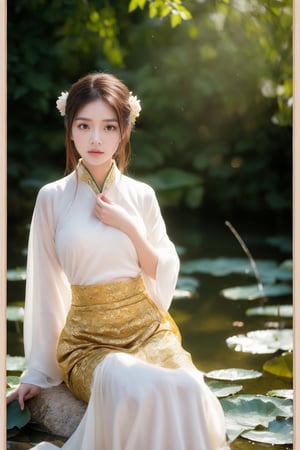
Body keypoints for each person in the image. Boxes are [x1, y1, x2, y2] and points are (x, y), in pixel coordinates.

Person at [7, 72, 229, 450]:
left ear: (124, 131)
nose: (96, 139)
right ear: (71, 129)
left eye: (108, 127)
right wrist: (38, 372)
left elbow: (163, 269)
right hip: (89, 343)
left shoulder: (141, 196)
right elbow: (46, 288)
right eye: (85, 126)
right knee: (130, 381)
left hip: (147, 330)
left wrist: (130, 228)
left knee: (191, 388)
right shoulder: (52, 198)